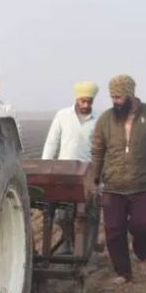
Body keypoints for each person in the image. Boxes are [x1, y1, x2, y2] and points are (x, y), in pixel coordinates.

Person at [89, 74, 146, 284]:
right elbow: (97, 151)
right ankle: (123, 272)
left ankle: (142, 252)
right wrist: (94, 179)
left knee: (143, 226)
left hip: (143, 184)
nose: (115, 101)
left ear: (130, 94)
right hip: (113, 185)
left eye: (119, 96)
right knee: (113, 232)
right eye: (112, 97)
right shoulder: (105, 119)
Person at [42, 80, 100, 254]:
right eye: (83, 101)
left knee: (89, 214)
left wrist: (100, 178)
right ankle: (68, 242)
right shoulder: (62, 116)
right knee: (62, 215)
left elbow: (103, 148)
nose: (86, 105)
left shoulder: (98, 119)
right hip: (65, 172)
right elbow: (52, 142)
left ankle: (87, 251)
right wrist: (45, 168)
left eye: (89, 102)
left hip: (88, 174)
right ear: (76, 99)